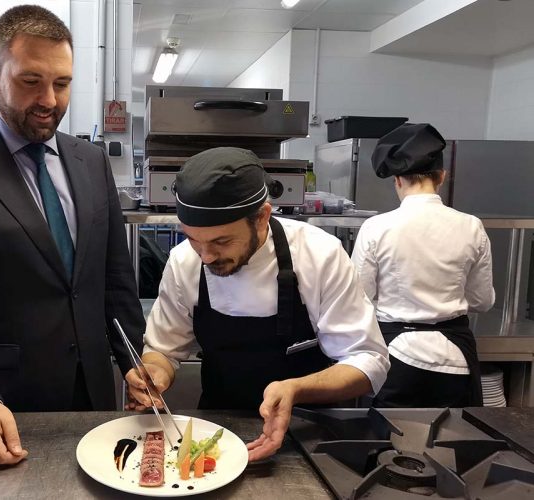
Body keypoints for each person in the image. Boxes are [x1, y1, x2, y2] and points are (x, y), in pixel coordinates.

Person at [0, 5, 145, 465]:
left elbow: (114, 279)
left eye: (62, 83)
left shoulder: (90, 161)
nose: (50, 101)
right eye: (31, 81)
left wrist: (134, 361)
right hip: (2, 403)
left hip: (92, 396)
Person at [125, 147, 389, 461]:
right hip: (215, 434)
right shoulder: (185, 262)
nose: (206, 257)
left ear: (262, 217)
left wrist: (295, 388)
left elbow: (367, 361)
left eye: (221, 242)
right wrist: (154, 374)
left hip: (307, 435)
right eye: (194, 239)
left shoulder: (320, 255)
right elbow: (164, 350)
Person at [350, 123, 495, 408]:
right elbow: (482, 301)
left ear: (398, 180)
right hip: (455, 358)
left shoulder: (377, 227)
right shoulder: (471, 226)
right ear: (441, 177)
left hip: (395, 357)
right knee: (454, 441)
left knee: (389, 442)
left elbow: (359, 297)